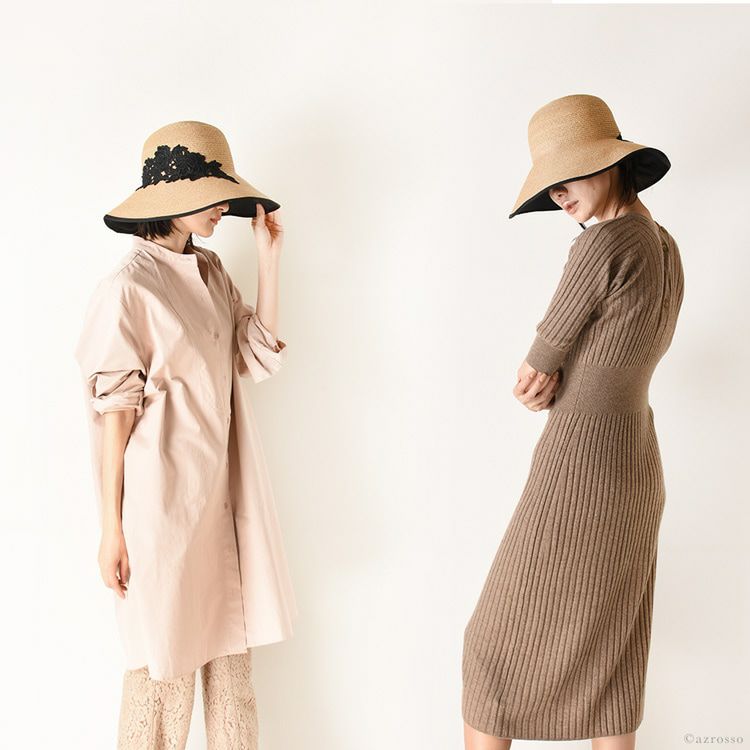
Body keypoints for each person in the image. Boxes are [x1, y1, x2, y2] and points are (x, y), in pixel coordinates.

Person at [461, 94, 685, 749]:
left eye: (569, 175)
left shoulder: (604, 242)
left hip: (581, 463)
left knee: (489, 651)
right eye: (551, 184)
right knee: (612, 653)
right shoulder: (664, 246)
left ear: (612, 163)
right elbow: (614, 352)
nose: (559, 194)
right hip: (636, 460)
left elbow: (535, 371)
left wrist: (544, 380)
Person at [73, 120, 298, 749]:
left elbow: (255, 355)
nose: (224, 206)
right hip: (161, 508)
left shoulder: (212, 269)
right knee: (160, 681)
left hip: (221, 502)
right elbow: (113, 418)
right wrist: (111, 529)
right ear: (173, 198)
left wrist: (270, 260)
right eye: (213, 194)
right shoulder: (127, 289)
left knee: (232, 678)